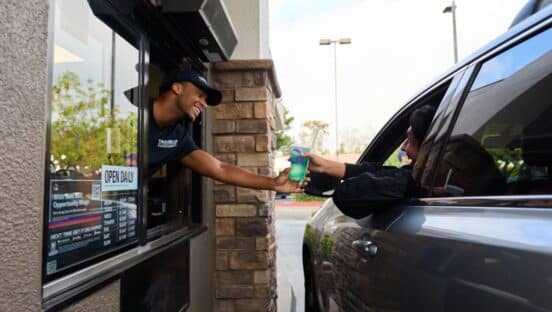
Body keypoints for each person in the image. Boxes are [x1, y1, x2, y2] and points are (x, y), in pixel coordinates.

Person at [149, 68, 302, 193]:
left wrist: (273, 183)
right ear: (177, 88)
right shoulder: (132, 113)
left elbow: (221, 169)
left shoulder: (178, 137)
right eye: (200, 95)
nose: (204, 104)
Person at [303, 105, 436, 216]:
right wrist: (324, 166)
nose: (403, 148)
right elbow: (381, 172)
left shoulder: (411, 185)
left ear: (428, 148)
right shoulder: (419, 181)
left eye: (410, 140)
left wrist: (335, 184)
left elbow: (348, 194)